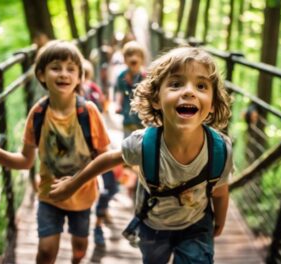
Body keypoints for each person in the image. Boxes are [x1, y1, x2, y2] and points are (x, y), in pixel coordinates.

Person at [49, 46, 233, 264]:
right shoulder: (142, 144)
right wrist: (72, 184)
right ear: (156, 99)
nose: (189, 91)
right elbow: (108, 158)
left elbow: (220, 192)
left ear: (212, 104)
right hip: (153, 225)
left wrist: (219, 220)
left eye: (201, 86)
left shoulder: (220, 150)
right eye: (176, 84)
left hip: (197, 225)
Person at [0, 40, 110, 264]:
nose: (63, 74)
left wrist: (79, 180)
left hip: (83, 196)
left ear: (79, 77)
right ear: (41, 74)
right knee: (46, 252)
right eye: (56, 67)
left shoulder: (88, 112)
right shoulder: (37, 114)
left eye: (71, 69)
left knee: (80, 249)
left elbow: (105, 157)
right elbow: (25, 161)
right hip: (49, 196)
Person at [82, 59, 120, 246]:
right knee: (107, 187)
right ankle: (96, 224)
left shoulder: (91, 93)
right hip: (86, 156)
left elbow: (103, 108)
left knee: (110, 187)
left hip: (100, 149)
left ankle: (98, 220)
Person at [114, 40, 147, 199]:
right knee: (127, 149)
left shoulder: (145, 77)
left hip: (143, 119)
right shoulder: (121, 77)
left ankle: (140, 178)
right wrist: (118, 104)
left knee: (143, 148)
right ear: (124, 58)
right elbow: (119, 92)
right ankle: (130, 180)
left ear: (142, 58)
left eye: (136, 55)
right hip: (127, 118)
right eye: (129, 55)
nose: (133, 58)